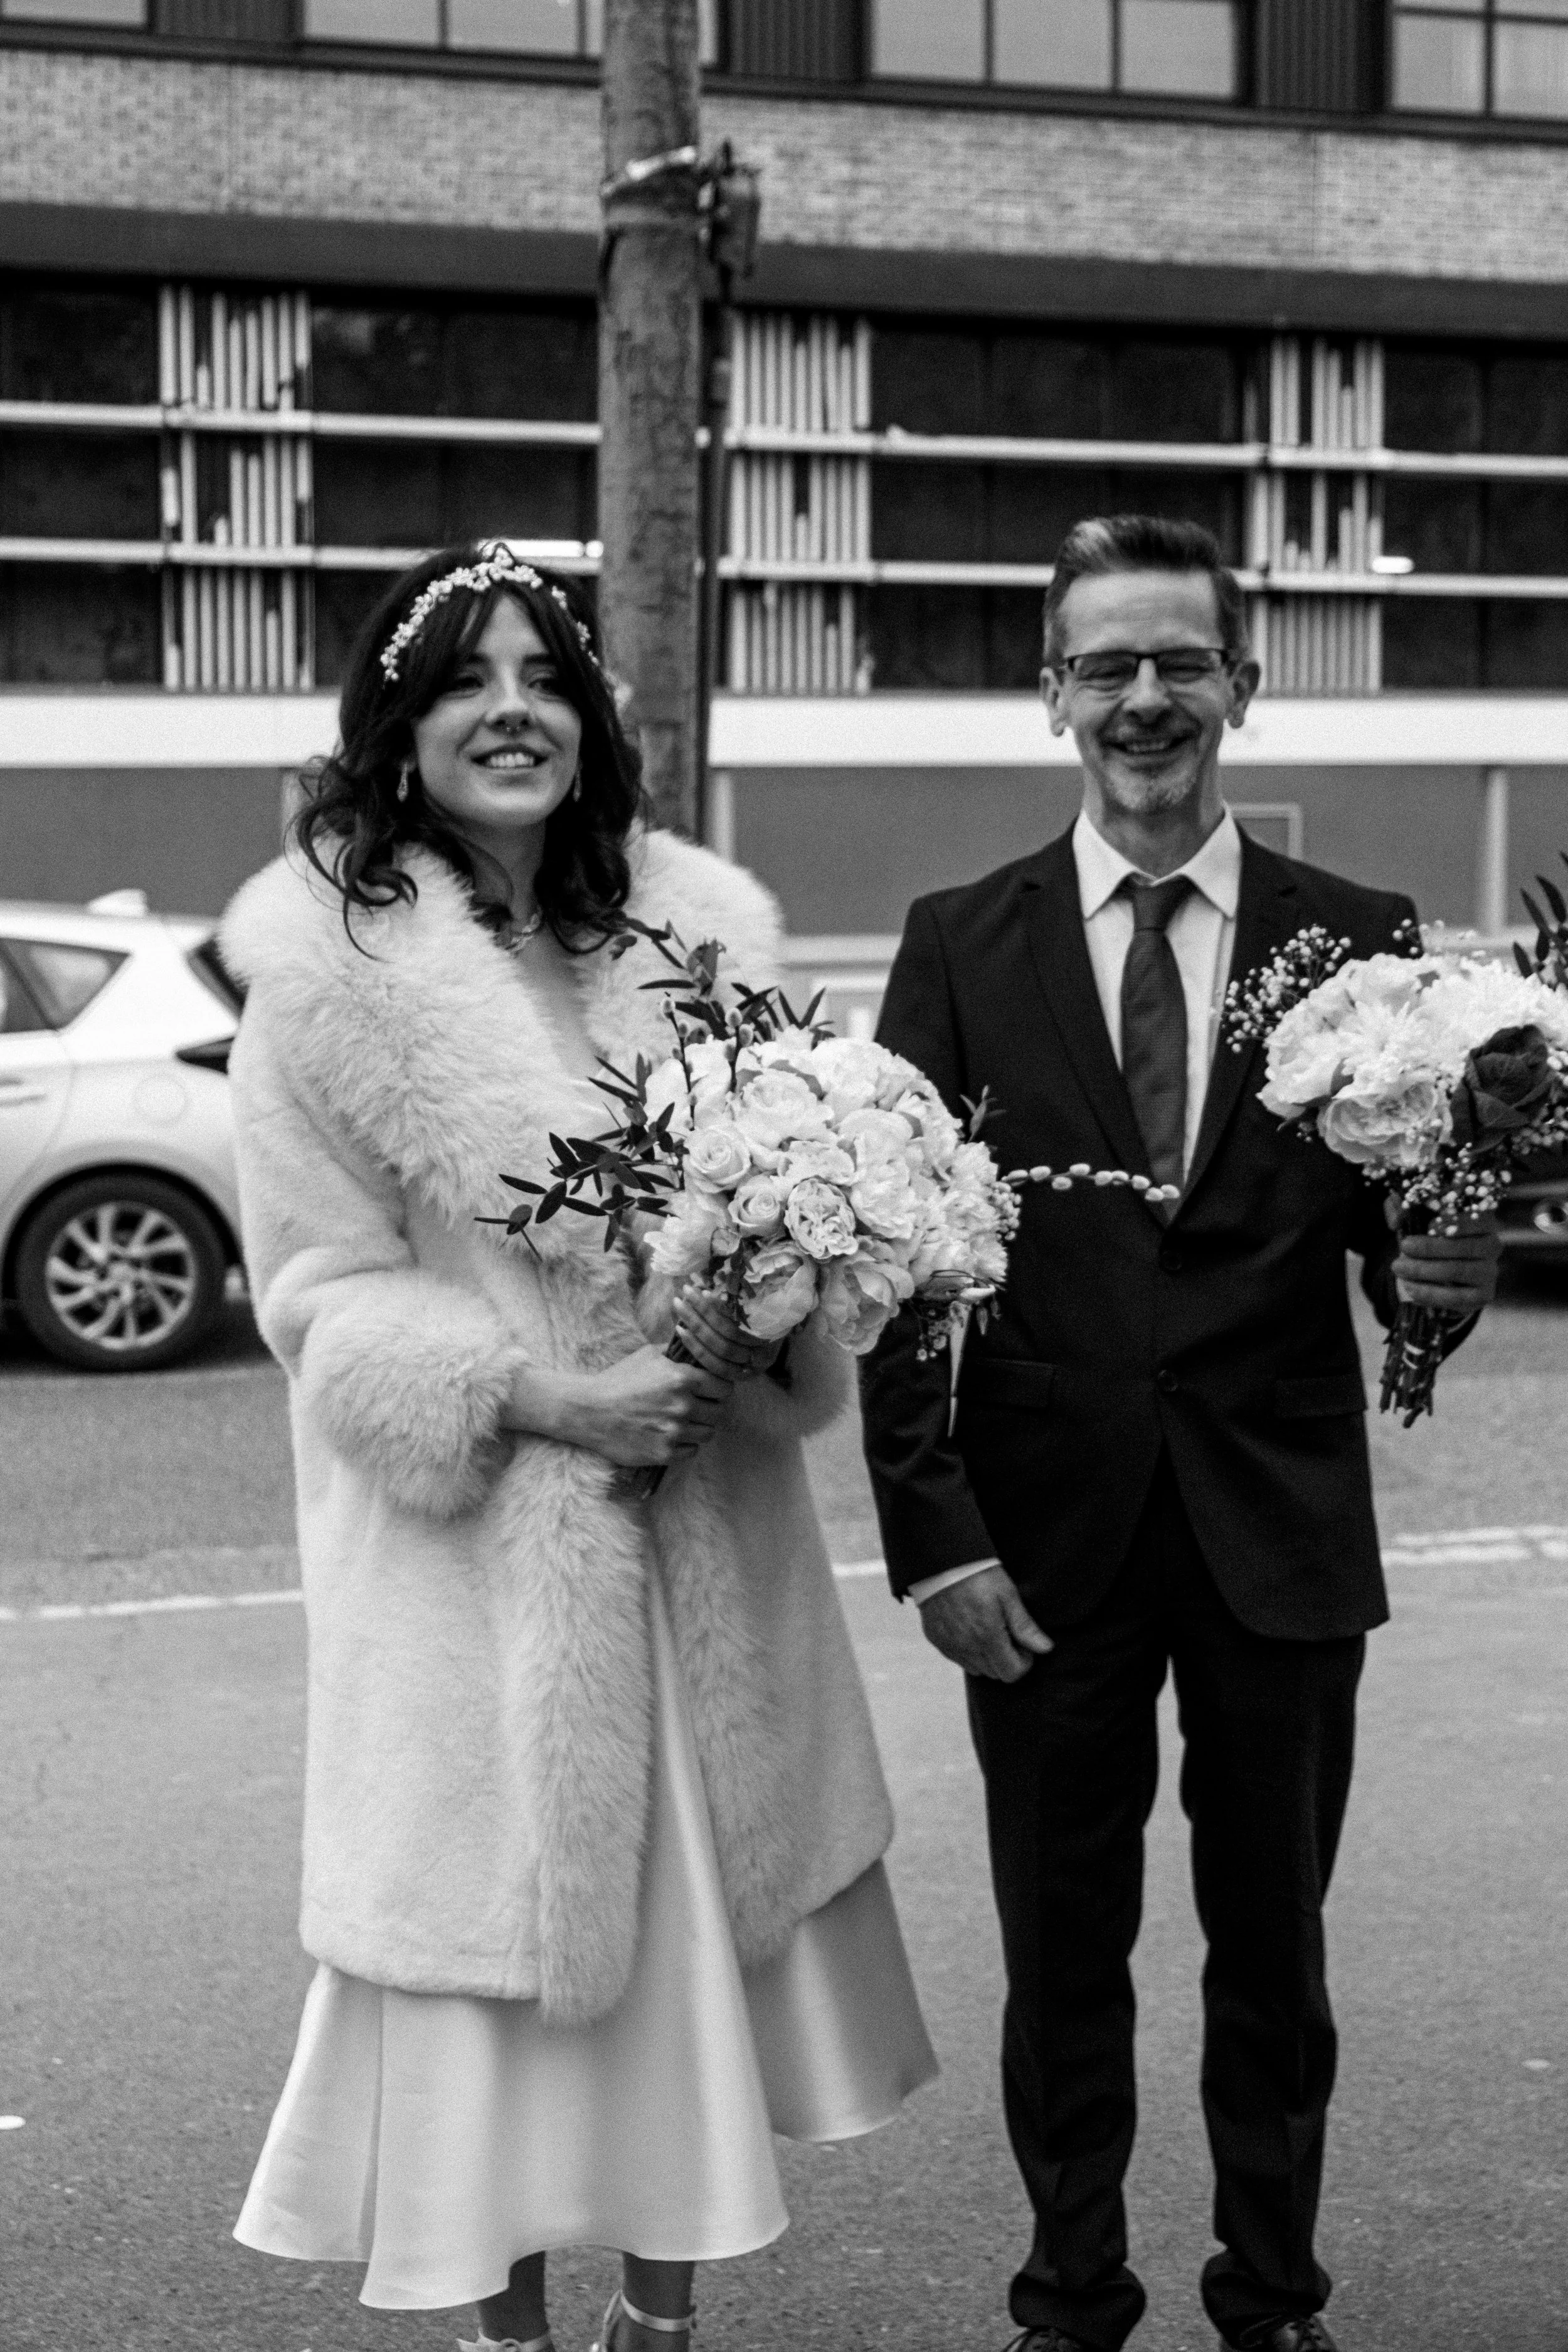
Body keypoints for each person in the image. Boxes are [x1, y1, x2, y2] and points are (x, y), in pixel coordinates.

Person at [224, 540, 935, 2351]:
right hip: (476, 1571)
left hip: (701, 1529)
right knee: (501, 1964)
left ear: (595, 717)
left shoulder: (698, 940)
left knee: (684, 1934)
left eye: (545, 675)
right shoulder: (322, 968)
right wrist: (542, 1398)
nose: (511, 710)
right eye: (465, 678)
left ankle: (662, 2320)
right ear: (397, 724)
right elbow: (312, 1291)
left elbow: (772, 1224)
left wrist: (792, 1267)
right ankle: (507, 2327)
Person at [859, 516, 1500, 2352]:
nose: (1146, 699)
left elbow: (1406, 1252)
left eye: (1181, 660)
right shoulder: (956, 944)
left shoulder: (1359, 944)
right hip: (1036, 1546)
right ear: (1049, 693)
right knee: (1063, 1957)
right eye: (1105, 666)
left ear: (1242, 679)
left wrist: (1441, 1274)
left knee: (1272, 1960)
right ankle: (1069, 2290)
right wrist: (937, 1534)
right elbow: (897, 1259)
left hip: (1275, 1524)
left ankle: (1271, 2293)